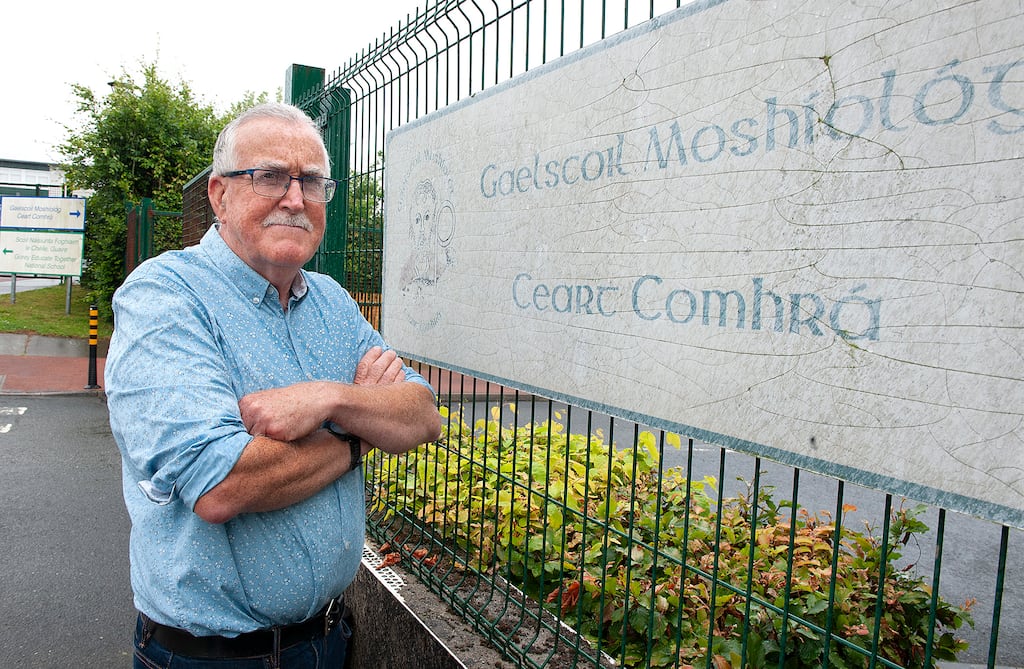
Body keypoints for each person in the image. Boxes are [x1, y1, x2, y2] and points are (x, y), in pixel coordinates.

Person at [106, 102, 442, 668]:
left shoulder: (331, 302)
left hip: (330, 639)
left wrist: (328, 397)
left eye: (311, 181)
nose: (294, 198)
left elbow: (422, 414)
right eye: (269, 176)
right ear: (220, 196)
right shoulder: (166, 297)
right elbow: (220, 485)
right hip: (213, 658)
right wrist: (359, 432)